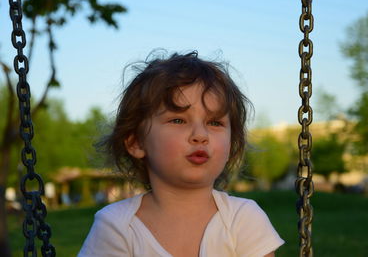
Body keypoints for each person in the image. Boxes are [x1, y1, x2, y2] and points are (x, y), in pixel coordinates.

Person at [78, 51, 284, 257]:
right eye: (178, 120)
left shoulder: (243, 219)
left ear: (230, 145)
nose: (200, 135)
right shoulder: (117, 227)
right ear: (137, 143)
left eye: (214, 123)